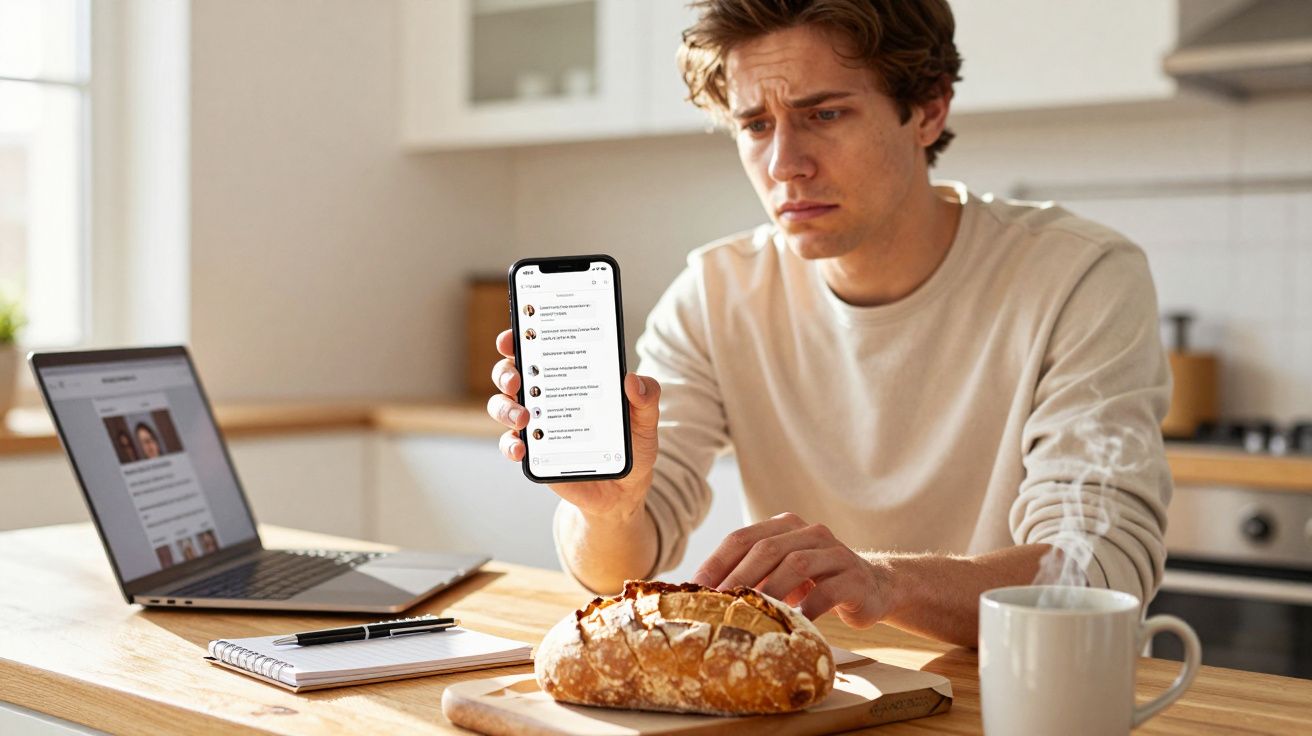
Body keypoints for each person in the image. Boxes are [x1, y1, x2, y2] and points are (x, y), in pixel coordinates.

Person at [486, 0, 1169, 647]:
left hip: (1019, 692)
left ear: (928, 109)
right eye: (755, 125)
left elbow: (1098, 572)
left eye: (825, 114)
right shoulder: (715, 293)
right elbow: (616, 568)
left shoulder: (1080, 276)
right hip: (821, 693)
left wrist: (885, 583)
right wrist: (609, 513)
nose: (785, 164)